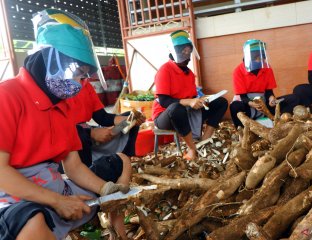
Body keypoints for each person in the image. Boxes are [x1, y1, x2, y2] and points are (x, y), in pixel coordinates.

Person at [0, 9, 128, 240]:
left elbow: (74, 167)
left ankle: (119, 236)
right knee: (32, 223)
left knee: (122, 161)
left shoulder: (63, 105)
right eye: (78, 73)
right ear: (50, 60)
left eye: (85, 75)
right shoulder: (7, 96)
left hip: (54, 185)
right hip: (11, 194)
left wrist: (106, 190)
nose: (81, 82)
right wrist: (57, 201)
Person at [67, 79, 145, 239]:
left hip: (85, 130)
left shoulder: (86, 84)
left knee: (129, 120)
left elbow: (102, 117)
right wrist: (90, 132)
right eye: (80, 71)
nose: (83, 76)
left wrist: (131, 119)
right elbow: (63, 124)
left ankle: (123, 166)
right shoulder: (59, 87)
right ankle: (94, 174)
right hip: (76, 136)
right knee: (80, 134)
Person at [151, 30, 228, 161]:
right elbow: (164, 101)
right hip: (165, 116)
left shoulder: (189, 73)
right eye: (183, 52)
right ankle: (192, 149)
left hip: (187, 112)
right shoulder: (164, 71)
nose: (186, 55)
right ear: (174, 52)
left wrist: (200, 100)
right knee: (176, 108)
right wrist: (189, 102)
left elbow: (192, 96)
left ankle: (205, 140)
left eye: (188, 52)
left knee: (221, 102)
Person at [230, 39, 299, 129]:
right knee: (234, 106)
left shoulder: (267, 68)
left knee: (294, 98)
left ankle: (280, 123)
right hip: (247, 106)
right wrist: (252, 104)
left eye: (262, 57)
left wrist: (271, 99)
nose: (261, 60)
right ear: (251, 57)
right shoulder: (238, 71)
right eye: (258, 58)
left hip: (265, 105)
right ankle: (242, 131)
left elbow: (269, 92)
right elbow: (243, 97)